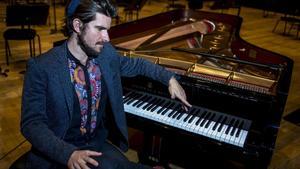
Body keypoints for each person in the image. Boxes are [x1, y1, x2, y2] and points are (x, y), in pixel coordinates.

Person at [21, 0, 213, 168]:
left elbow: (137, 64)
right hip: (59, 154)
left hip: (95, 145)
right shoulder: (42, 67)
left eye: (108, 29)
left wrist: (169, 78)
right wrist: (67, 154)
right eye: (100, 29)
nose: (107, 38)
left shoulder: (105, 55)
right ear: (78, 26)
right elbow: (31, 124)